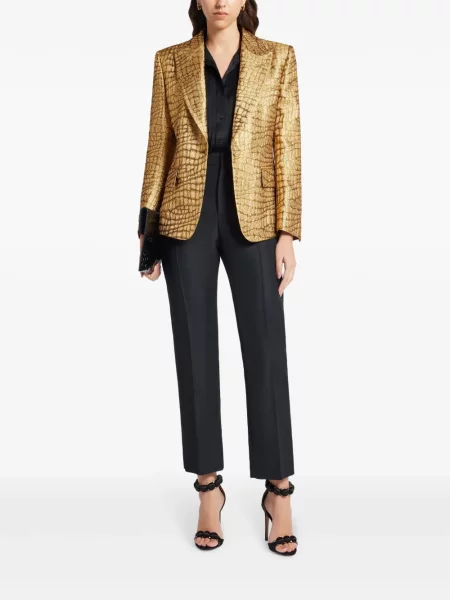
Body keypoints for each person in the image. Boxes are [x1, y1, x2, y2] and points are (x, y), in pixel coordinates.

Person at [137, 0, 301, 556]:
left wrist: (287, 232)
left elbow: (288, 147)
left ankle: (278, 491)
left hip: (254, 216)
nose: (220, 1)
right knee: (195, 351)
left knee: (266, 349)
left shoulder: (278, 58)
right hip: (185, 214)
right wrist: (147, 227)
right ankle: (209, 489)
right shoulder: (170, 61)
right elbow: (159, 145)